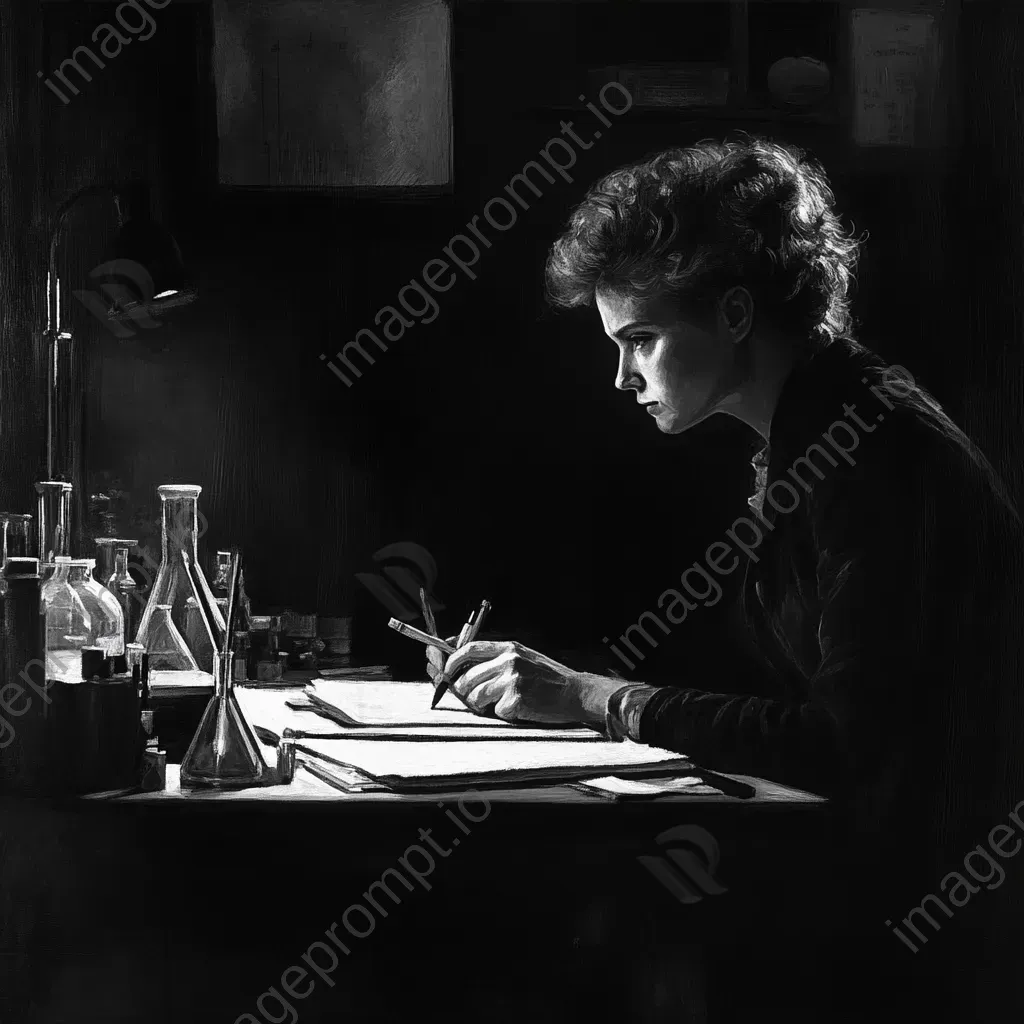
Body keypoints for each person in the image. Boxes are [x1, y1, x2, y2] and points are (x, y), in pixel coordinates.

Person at [427, 137, 1024, 1019]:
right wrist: (565, 682)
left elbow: (842, 745)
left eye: (642, 340)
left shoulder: (872, 456)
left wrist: (599, 696)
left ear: (736, 312)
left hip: (944, 921)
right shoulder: (817, 429)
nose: (621, 376)